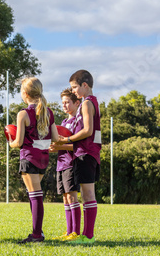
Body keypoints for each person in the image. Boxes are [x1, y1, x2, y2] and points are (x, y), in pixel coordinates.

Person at [9, 77, 59, 244]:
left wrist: (10, 140)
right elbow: (55, 138)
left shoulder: (23, 113)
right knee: (34, 196)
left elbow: (19, 142)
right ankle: (39, 231)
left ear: (25, 94)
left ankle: (37, 235)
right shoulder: (48, 112)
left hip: (29, 158)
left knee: (35, 196)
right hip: (43, 158)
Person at [56, 70, 101, 244]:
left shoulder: (86, 103)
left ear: (85, 85)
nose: (73, 90)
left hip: (85, 153)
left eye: (75, 87)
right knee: (87, 194)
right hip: (88, 152)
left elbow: (87, 130)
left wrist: (67, 139)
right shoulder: (91, 102)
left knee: (88, 194)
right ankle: (85, 235)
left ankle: (88, 236)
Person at [49, 88, 81, 241]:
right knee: (65, 198)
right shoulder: (63, 122)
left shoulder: (78, 122)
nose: (65, 105)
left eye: (68, 102)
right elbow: (59, 143)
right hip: (61, 165)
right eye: (63, 103)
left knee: (72, 197)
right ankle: (68, 232)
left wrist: (59, 146)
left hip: (72, 163)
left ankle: (76, 232)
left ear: (77, 103)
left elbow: (78, 146)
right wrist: (54, 147)